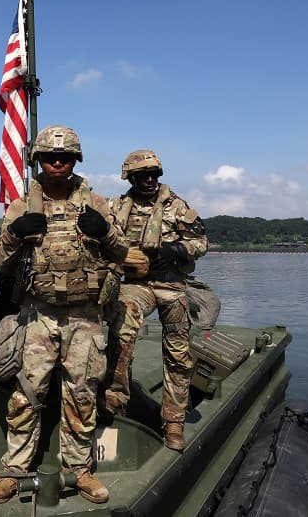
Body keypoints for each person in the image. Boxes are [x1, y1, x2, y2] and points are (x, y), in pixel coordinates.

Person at [0, 125, 128, 506]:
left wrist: (106, 234)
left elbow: (124, 254)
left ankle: (78, 470)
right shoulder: (21, 206)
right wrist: (14, 233)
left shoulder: (96, 202)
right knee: (25, 395)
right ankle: (14, 470)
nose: (57, 162)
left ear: (75, 160)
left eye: (64, 157)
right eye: (50, 157)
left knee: (81, 395)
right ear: (39, 161)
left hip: (85, 315)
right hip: (38, 314)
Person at [104, 149, 208, 451]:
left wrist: (175, 251)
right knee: (121, 331)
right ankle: (115, 399)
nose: (149, 180)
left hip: (172, 285)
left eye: (154, 174)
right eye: (142, 175)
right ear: (131, 177)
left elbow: (201, 242)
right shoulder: (117, 207)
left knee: (177, 352)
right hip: (137, 283)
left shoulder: (177, 206)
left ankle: (173, 421)